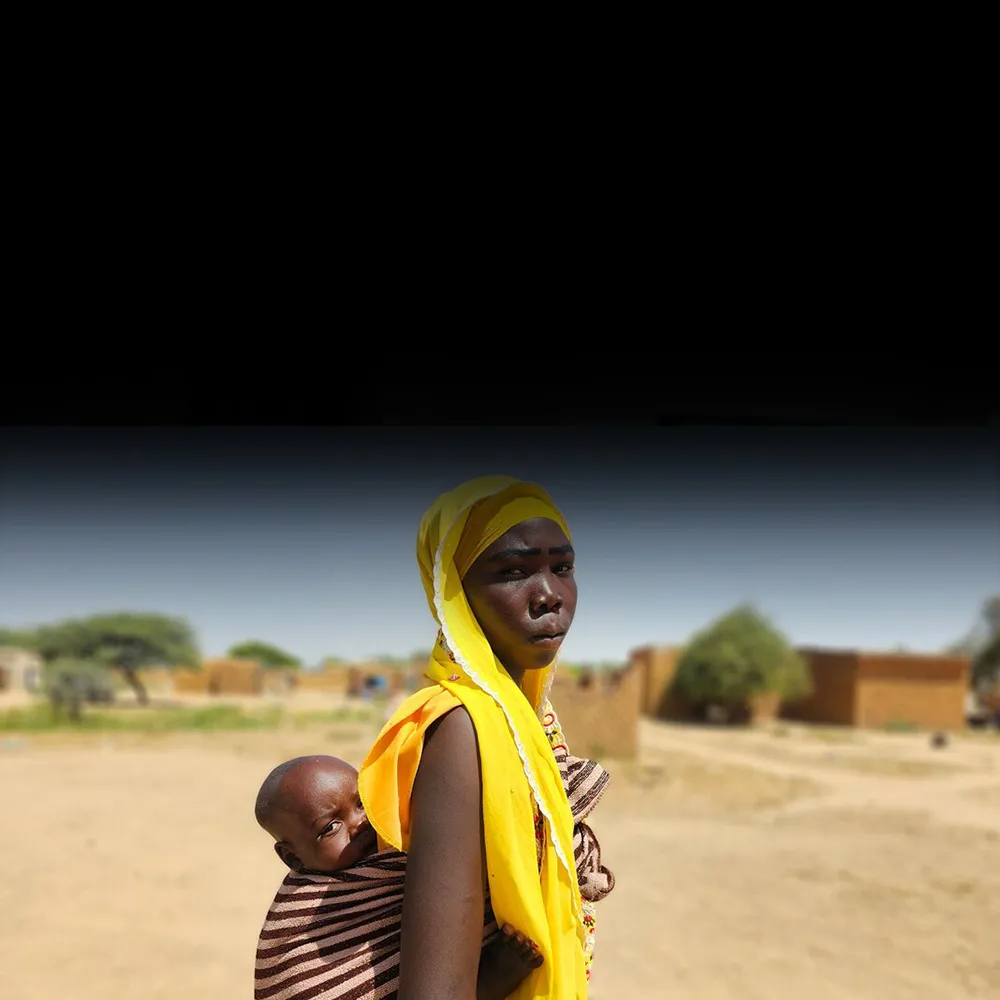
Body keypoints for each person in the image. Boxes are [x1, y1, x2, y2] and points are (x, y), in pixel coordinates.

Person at [358, 476, 615, 1000]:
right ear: (453, 593)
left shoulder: (525, 717)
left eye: (562, 567)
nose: (548, 596)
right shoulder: (462, 726)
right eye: (512, 572)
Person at [252, 754, 543, 1000]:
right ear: (292, 857)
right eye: (331, 827)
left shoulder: (402, 847)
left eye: (362, 802)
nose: (360, 823)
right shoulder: (304, 922)